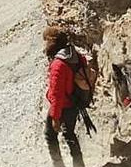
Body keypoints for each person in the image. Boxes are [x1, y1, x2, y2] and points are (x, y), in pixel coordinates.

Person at [43, 26, 85, 166]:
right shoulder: (74, 55)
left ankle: (58, 164)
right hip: (74, 101)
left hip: (63, 105)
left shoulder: (58, 65)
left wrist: (55, 117)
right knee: (70, 135)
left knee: (50, 135)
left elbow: (56, 94)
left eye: (46, 41)